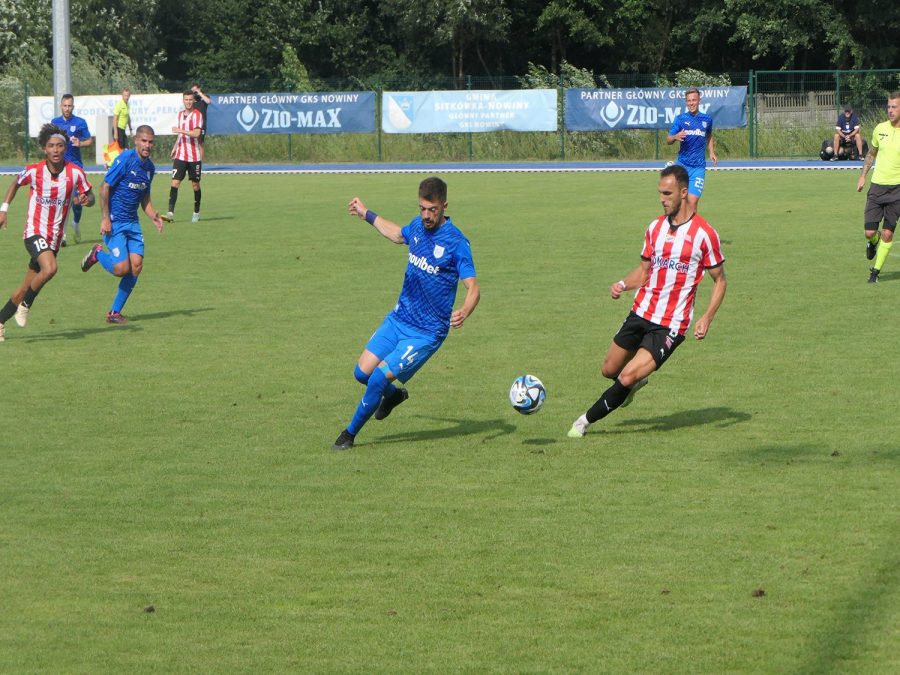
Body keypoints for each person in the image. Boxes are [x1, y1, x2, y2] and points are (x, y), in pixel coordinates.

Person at [567, 164, 727, 438]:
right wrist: (622, 284)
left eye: (667, 193)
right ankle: (630, 387)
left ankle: (582, 422)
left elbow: (720, 280)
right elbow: (643, 272)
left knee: (627, 377)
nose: (662, 199)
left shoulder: (704, 234)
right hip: (641, 311)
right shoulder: (654, 228)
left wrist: (706, 317)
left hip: (669, 325)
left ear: (683, 192)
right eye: (660, 193)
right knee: (610, 370)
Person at [332, 176, 480, 450]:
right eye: (422, 208)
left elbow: (473, 288)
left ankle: (348, 435)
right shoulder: (416, 227)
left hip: (426, 333)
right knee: (361, 373)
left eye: (432, 209)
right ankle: (394, 396)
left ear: (444, 206)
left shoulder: (456, 243)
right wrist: (367, 214)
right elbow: (397, 234)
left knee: (377, 377)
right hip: (399, 319)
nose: (426, 215)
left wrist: (465, 311)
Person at [0, 123, 94, 341]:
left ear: (65, 148)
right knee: (50, 268)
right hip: (34, 232)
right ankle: (26, 305)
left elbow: (90, 197)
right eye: (51, 145)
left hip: (54, 239)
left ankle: (1, 320)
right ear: (44, 148)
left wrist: (86, 200)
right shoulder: (34, 170)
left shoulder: (75, 173)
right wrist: (3, 209)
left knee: (26, 286)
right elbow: (15, 183)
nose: (55, 150)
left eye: (60, 145)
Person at [80, 125, 165, 323]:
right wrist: (105, 217)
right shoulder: (125, 159)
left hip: (132, 223)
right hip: (115, 222)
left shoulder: (150, 168)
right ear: (136, 140)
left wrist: (153, 215)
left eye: (151, 142)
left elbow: (144, 196)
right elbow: (104, 187)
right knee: (121, 269)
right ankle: (97, 254)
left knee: (136, 266)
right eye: (144, 141)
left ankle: (114, 313)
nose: (147, 145)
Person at [857, 91, 900, 283]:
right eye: (889, 106)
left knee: (888, 233)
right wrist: (863, 175)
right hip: (877, 188)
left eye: (894, 107)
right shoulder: (879, 129)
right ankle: (873, 244)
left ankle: (875, 273)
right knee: (870, 232)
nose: (890, 110)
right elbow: (871, 154)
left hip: (897, 190)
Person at [50, 93, 93, 245]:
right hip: (59, 167)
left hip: (75, 167)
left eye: (70, 106)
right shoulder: (54, 123)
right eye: (65, 105)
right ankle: (63, 235)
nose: (67, 108)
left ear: (73, 107)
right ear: (61, 106)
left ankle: (76, 223)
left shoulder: (80, 122)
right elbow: (50, 143)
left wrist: (80, 143)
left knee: (76, 201)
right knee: (62, 200)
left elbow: (89, 140)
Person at [666, 87, 717, 210]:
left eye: (694, 100)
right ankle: (678, 227)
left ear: (699, 100)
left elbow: (709, 135)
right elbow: (668, 140)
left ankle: (690, 229)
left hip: (698, 168)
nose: (691, 103)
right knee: (679, 202)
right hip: (682, 166)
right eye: (688, 101)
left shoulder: (707, 120)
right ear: (686, 102)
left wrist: (711, 152)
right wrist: (675, 136)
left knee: (692, 202)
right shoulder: (681, 119)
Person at [166, 91, 204, 223]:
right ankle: (170, 213)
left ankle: (196, 212)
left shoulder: (197, 115)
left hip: (194, 156)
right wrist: (175, 146)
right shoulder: (180, 114)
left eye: (190, 99)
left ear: (193, 101)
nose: (188, 101)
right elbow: (180, 135)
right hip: (181, 155)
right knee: (175, 182)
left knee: (195, 185)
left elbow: (196, 133)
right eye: (186, 99)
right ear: (183, 100)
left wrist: (180, 130)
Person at [191, 83, 211, 158]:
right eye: (193, 91)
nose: (194, 93)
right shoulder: (192, 101)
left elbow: (208, 101)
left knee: (200, 143)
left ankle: (199, 162)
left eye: (195, 90)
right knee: (192, 143)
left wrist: (199, 93)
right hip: (192, 124)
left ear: (199, 89)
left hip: (201, 125)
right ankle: (192, 160)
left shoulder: (203, 99)